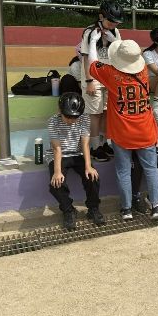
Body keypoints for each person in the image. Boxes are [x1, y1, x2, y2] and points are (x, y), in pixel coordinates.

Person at [87, 30, 158, 221]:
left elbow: (92, 64)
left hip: (122, 133)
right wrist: (117, 42)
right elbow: (127, 56)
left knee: (123, 171)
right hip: (146, 131)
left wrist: (93, 41)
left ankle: (126, 209)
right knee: (151, 169)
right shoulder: (143, 70)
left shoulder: (111, 74)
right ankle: (156, 207)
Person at [46, 92, 103, 230]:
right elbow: (57, 148)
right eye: (68, 116)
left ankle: (93, 208)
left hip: (77, 154)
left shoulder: (84, 119)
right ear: (60, 110)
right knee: (56, 184)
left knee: (93, 177)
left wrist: (88, 166)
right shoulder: (53, 121)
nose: (71, 120)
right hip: (59, 155)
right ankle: (68, 210)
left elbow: (85, 144)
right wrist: (57, 172)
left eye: (75, 117)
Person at [79, 1, 123, 162]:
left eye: (116, 22)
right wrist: (89, 80)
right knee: (95, 114)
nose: (113, 24)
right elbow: (86, 58)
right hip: (94, 79)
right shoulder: (90, 32)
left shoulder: (115, 31)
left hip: (109, 79)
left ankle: (104, 143)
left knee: (106, 112)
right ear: (101, 16)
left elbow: (120, 53)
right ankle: (94, 146)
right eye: (111, 21)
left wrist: (114, 39)